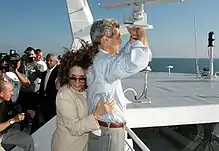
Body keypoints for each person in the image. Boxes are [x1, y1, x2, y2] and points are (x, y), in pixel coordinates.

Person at [86, 18, 152, 151]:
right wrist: (142, 36)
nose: (120, 42)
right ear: (105, 40)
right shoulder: (105, 63)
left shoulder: (100, 59)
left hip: (104, 130)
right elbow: (136, 62)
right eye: (117, 37)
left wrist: (134, 38)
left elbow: (122, 58)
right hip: (109, 134)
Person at [51, 49, 115, 151]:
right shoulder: (64, 95)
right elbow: (75, 128)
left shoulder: (85, 90)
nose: (77, 82)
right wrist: (97, 114)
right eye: (73, 78)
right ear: (67, 76)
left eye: (82, 78)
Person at [0, 81, 34, 151]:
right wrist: (13, 120)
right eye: (10, 91)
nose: (12, 94)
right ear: (1, 94)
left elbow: (14, 110)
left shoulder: (7, 102)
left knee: (28, 140)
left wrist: (26, 111)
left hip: (5, 132)